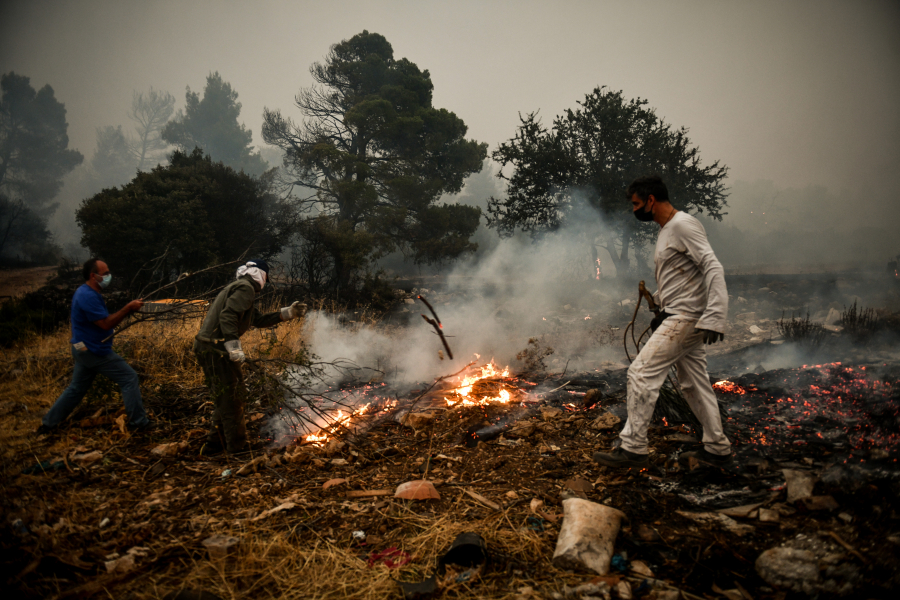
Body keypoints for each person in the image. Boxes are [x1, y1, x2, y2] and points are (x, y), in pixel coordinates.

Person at [594, 175, 732, 468]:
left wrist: (716, 315)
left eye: (636, 204)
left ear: (651, 200)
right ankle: (717, 447)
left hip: (686, 317)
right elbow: (683, 276)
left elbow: (712, 266)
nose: (634, 211)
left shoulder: (682, 225)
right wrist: (657, 300)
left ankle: (633, 448)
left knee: (640, 373)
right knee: (694, 384)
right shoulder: (668, 230)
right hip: (680, 313)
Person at [193, 259, 306, 454]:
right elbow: (228, 316)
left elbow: (257, 319)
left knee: (226, 397)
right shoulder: (245, 289)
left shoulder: (240, 287)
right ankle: (237, 449)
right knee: (234, 398)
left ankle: (214, 444)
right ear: (261, 275)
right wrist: (233, 346)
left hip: (210, 347)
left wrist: (288, 313)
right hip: (216, 350)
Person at [38, 259, 149, 433]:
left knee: (76, 388)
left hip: (81, 347)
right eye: (105, 274)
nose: (108, 277)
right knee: (129, 378)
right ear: (93, 276)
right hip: (93, 350)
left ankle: (48, 425)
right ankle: (139, 424)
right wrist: (128, 308)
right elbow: (105, 324)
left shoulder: (85, 292)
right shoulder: (88, 296)